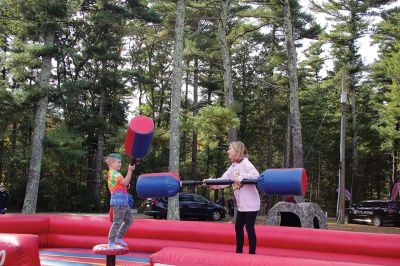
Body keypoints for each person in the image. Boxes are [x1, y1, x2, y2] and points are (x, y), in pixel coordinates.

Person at [204, 141, 260, 254]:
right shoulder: (233, 167)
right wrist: (210, 183)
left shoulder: (246, 163)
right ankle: (238, 253)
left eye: (230, 149)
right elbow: (223, 181)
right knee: (238, 228)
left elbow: (256, 176)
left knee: (249, 228)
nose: (228, 151)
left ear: (237, 151)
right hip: (241, 206)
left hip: (251, 204)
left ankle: (252, 255)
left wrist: (242, 177)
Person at [106, 153, 135, 249]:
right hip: (118, 202)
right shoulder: (114, 173)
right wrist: (130, 171)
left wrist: (125, 186)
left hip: (123, 202)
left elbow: (124, 183)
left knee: (129, 220)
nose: (120, 164)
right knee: (117, 221)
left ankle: (118, 237)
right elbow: (126, 181)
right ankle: (111, 242)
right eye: (118, 162)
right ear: (111, 163)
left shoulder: (115, 174)